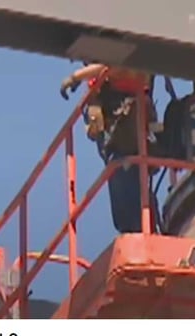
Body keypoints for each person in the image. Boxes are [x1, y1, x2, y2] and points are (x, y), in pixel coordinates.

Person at [60, 62, 159, 235]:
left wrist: (76, 77)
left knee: (128, 174)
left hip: (127, 128)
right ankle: (136, 228)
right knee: (123, 176)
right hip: (119, 136)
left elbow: (115, 66)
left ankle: (139, 229)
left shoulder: (130, 57)